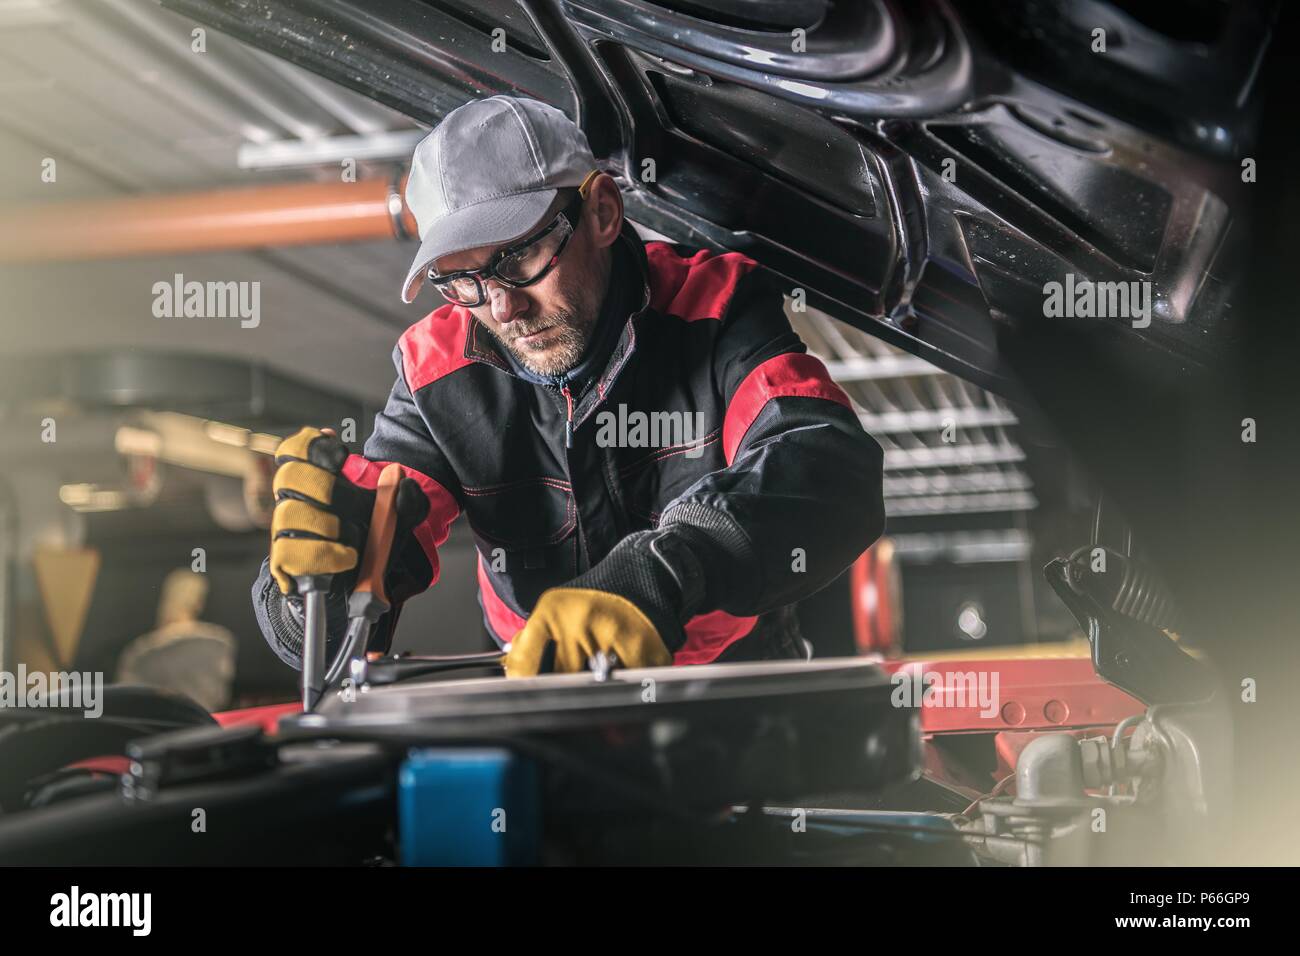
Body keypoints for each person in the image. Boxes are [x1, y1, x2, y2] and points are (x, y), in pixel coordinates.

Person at [251, 95, 885, 677]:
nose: (501, 309)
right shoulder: (434, 368)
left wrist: (662, 573)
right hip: (536, 674)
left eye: (518, 259)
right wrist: (319, 585)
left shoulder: (714, 307)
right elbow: (371, 563)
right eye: (462, 282)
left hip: (723, 669)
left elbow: (821, 460)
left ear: (602, 212)